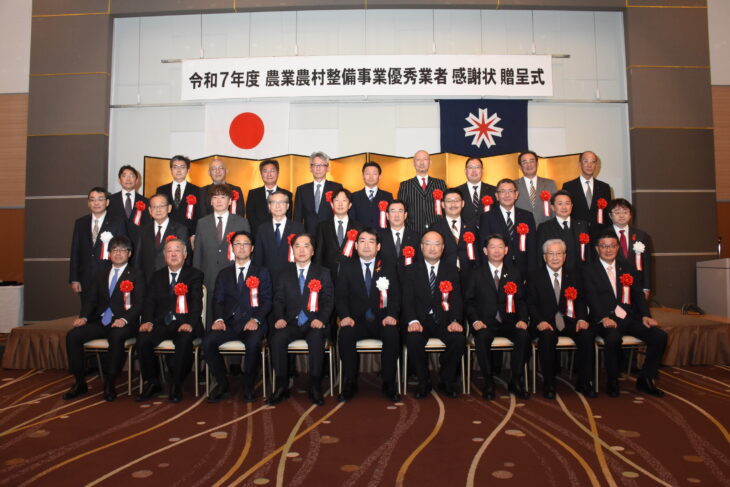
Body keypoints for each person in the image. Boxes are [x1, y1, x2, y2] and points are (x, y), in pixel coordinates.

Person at [583, 231, 667, 397]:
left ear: (618, 248)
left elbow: (637, 294)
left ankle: (646, 378)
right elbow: (590, 297)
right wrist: (603, 317)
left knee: (659, 336)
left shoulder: (627, 267)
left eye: (612, 246)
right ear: (597, 248)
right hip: (604, 319)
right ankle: (613, 380)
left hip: (629, 318)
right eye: (604, 246)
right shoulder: (589, 270)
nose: (608, 250)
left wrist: (645, 315)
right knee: (613, 338)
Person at [63, 236, 145, 402]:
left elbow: (140, 303)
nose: (118, 253)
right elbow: (91, 300)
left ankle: (109, 383)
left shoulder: (137, 274)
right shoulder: (101, 274)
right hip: (102, 321)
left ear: (129, 253)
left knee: (116, 336)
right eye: (114, 250)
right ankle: (79, 382)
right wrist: (84, 317)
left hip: (125, 323)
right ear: (109, 253)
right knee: (73, 336)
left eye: (122, 250)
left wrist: (125, 319)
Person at [266, 234, 334, 406]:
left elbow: (328, 300)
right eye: (297, 246)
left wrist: (322, 319)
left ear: (313, 250)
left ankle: (315, 386)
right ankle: (281, 386)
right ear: (292, 250)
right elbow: (278, 300)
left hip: (314, 323)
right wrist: (280, 318)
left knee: (316, 339)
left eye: (306, 246)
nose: (302, 250)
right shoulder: (284, 274)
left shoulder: (323, 272)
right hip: (291, 323)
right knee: (277, 338)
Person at [204, 231, 272, 403]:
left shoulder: (261, 272)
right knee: (208, 341)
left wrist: (256, 319)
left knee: (253, 343)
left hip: (252, 323)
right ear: (232, 248)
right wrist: (219, 320)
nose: (241, 247)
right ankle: (222, 384)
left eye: (246, 244)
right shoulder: (224, 274)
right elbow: (217, 300)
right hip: (229, 323)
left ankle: (248, 385)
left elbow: (267, 300)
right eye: (237, 244)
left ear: (252, 248)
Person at [335, 228, 401, 402]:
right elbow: (340, 297)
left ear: (378, 247)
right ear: (356, 245)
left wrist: (392, 315)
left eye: (371, 242)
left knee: (392, 334)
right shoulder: (347, 267)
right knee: (346, 335)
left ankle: (389, 383)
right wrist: (345, 316)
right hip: (356, 321)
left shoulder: (388, 267)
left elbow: (395, 296)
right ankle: (350, 382)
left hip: (382, 320)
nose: (366, 246)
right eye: (362, 241)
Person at [136, 238, 204, 403]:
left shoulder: (194, 275)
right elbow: (149, 302)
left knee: (184, 340)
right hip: (161, 323)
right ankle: (153, 382)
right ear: (164, 255)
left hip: (184, 323)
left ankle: (177, 383)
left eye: (177, 250)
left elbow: (196, 303)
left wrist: (190, 323)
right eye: (169, 251)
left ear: (185, 254)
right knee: (143, 339)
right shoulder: (156, 276)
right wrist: (147, 321)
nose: (173, 254)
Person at [527, 239, 596, 399]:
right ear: (544, 257)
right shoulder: (535, 276)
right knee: (547, 338)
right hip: (546, 323)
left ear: (564, 256)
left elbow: (581, 300)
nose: (555, 257)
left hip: (570, 322)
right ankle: (549, 384)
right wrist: (539, 321)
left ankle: (584, 382)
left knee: (586, 335)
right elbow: (530, 303)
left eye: (559, 253)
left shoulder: (574, 275)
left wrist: (582, 318)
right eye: (551, 254)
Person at [465, 234, 530, 400]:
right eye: (492, 247)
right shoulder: (476, 273)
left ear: (506, 250)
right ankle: (488, 382)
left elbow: (521, 300)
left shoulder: (514, 273)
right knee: (482, 337)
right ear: (485, 250)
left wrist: (522, 319)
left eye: (500, 247)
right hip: (485, 323)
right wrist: (475, 321)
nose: (496, 251)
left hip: (509, 322)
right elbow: (469, 302)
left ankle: (516, 379)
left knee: (523, 335)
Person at [402, 231, 465, 399]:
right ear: (421, 247)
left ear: (443, 248)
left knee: (458, 339)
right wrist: (412, 320)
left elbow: (456, 299)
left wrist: (455, 320)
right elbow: (407, 299)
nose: (432, 248)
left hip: (444, 320)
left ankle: (447, 380)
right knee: (413, 339)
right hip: (420, 320)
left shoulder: (452, 270)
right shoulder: (410, 270)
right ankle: (423, 381)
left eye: (437, 244)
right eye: (428, 244)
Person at [192, 184, 250, 327]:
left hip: (234, 279)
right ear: (210, 201)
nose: (219, 200)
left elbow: (248, 253)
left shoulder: (241, 222)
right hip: (208, 278)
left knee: (232, 319)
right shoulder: (202, 223)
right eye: (215, 197)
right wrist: (196, 279)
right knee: (210, 319)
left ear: (230, 201)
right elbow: (198, 253)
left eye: (223, 197)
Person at [69, 187, 127, 308]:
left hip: (109, 277)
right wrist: (74, 279)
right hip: (86, 279)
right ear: (88, 203)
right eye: (92, 199)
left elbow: (123, 251)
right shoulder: (80, 223)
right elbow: (75, 251)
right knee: (87, 312)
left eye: (100, 199)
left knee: (107, 312)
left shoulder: (118, 222)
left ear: (107, 202)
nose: (96, 203)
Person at [478, 178, 537, 280]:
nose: (507, 195)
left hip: (523, 270)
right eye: (502, 191)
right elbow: (483, 247)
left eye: (510, 191)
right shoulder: (487, 217)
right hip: (497, 270)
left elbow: (532, 247)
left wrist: (531, 274)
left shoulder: (527, 216)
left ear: (516, 194)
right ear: (497, 196)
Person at [134, 193, 190, 282]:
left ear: (169, 208)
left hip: (171, 280)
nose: (158, 210)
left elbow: (186, 259)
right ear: (149, 210)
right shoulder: (142, 230)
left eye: (162, 206)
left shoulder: (181, 230)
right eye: (154, 207)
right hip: (147, 280)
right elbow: (138, 259)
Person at [252, 190, 304, 284]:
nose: (277, 206)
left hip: (291, 279)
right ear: (269, 206)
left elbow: (303, 255)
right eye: (274, 202)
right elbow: (258, 257)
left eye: (281, 202)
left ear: (287, 206)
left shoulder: (298, 228)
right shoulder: (262, 229)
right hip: (267, 279)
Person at [428, 188, 480, 277]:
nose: (453, 204)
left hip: (469, 274)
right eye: (449, 201)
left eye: (456, 200)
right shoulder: (435, 228)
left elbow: (477, 251)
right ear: (442, 204)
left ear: (462, 203)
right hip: (444, 274)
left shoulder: (471, 226)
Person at [608, 198, 653, 300]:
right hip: (612, 285)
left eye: (625, 212)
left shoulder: (641, 235)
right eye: (617, 212)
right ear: (610, 215)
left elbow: (647, 263)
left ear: (630, 214)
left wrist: (646, 288)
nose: (621, 215)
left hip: (637, 285)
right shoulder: (603, 235)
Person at [315, 188, 363, 282]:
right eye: (336, 200)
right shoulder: (322, 226)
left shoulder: (359, 227)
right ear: (332, 204)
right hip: (328, 276)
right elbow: (318, 254)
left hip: (352, 275)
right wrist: (318, 276)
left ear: (350, 205)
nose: (340, 204)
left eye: (344, 200)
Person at [536, 190, 592, 271]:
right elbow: (540, 255)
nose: (564, 207)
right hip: (555, 272)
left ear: (571, 206)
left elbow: (588, 253)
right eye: (560, 204)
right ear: (552, 207)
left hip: (579, 272)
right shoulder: (544, 227)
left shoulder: (582, 225)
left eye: (567, 203)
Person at [397, 150, 447, 234]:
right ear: (413, 163)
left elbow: (446, 207)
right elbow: (402, 210)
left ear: (430, 162)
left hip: (437, 231)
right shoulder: (405, 185)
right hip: (414, 232)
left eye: (425, 159)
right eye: (418, 160)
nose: (421, 162)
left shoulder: (440, 183)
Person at [293, 151, 343, 234]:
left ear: (328, 168)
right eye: (315, 165)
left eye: (322, 165)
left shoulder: (336, 188)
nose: (318, 168)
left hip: (330, 234)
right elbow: (297, 217)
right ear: (310, 168)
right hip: (308, 235)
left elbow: (342, 213)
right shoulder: (302, 190)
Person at [561, 151, 612, 229]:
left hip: (600, 232)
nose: (589, 165)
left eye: (593, 162)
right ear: (579, 164)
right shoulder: (568, 186)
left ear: (596, 165)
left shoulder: (604, 187)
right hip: (576, 231)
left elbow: (608, 213)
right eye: (586, 161)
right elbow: (564, 212)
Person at [156, 155, 201, 238]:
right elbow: (156, 214)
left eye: (182, 167)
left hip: (189, 235)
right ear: (171, 170)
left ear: (188, 170)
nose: (179, 170)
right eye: (175, 167)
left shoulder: (197, 190)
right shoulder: (161, 190)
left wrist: (195, 235)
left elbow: (200, 215)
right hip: (166, 234)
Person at [246, 159, 293, 238]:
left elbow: (288, 217)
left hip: (280, 235)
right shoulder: (253, 194)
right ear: (261, 174)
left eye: (272, 171)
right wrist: (262, 233)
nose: (269, 174)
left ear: (278, 173)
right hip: (258, 236)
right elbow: (250, 218)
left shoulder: (287, 194)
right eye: (265, 171)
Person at [377, 200, 422, 278]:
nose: (396, 215)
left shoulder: (417, 238)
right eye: (393, 211)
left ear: (405, 215)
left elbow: (420, 263)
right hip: (386, 281)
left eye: (400, 211)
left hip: (410, 280)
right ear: (387, 215)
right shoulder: (379, 237)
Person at [514, 151, 558, 226]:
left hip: (546, 227)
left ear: (537, 164)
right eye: (525, 162)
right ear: (520, 166)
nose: (529, 165)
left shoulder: (550, 184)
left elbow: (555, 207)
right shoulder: (513, 185)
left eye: (532, 161)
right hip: (522, 228)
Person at [107, 165, 150, 239]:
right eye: (124, 176)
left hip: (138, 241)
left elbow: (147, 225)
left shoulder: (145, 201)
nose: (128, 179)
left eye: (132, 176)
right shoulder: (110, 200)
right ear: (119, 180)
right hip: (117, 241)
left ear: (137, 181)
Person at [454, 157, 496, 228]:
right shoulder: (456, 192)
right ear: (465, 171)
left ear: (482, 171)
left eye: (477, 167)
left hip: (488, 232)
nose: (474, 171)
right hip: (464, 232)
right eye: (470, 167)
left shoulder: (493, 190)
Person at [349, 161, 393, 229]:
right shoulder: (354, 196)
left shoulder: (388, 196)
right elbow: (352, 220)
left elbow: (391, 219)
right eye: (367, 174)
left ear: (379, 176)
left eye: (374, 174)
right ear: (363, 176)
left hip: (382, 234)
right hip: (361, 234)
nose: (371, 177)